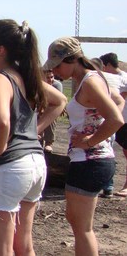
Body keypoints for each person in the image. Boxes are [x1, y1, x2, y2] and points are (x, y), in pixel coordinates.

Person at [0, 20, 66, 256]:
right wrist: (34, 131)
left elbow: (3, 120)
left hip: (9, 169)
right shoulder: (24, 75)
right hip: (35, 165)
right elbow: (60, 101)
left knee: (0, 249)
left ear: (0, 50)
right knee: (24, 245)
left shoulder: (1, 79)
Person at [44, 37, 123, 256]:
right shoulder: (91, 79)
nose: (56, 71)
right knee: (77, 222)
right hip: (88, 160)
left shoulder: (89, 81)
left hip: (91, 160)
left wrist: (90, 140)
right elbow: (117, 101)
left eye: (58, 65)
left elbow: (116, 118)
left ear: (73, 59)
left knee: (82, 228)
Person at [99, 52, 127, 198]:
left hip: (124, 121)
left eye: (104, 66)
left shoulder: (124, 78)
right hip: (113, 120)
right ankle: (107, 185)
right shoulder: (106, 78)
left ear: (108, 65)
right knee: (111, 150)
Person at [40, 69, 64, 152]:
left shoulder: (57, 85)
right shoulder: (37, 85)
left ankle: (48, 142)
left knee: (50, 116)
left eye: (52, 77)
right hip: (38, 108)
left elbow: (58, 103)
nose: (50, 79)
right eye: (47, 78)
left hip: (50, 108)